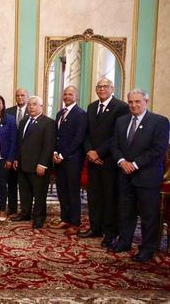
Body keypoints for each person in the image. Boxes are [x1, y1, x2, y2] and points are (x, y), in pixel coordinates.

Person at [109, 89, 169, 263]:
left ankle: (147, 248)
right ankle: (124, 242)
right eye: (130, 102)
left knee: (148, 215)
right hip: (124, 174)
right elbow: (115, 145)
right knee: (125, 212)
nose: (134, 105)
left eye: (137, 101)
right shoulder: (121, 121)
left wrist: (134, 164)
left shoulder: (159, 121)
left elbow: (158, 149)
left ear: (146, 101)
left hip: (147, 176)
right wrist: (121, 161)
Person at [80, 78, 129, 246]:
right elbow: (86, 133)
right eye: (99, 87)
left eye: (105, 86)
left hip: (109, 161)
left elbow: (117, 136)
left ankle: (110, 233)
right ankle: (95, 228)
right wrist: (89, 152)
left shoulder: (121, 107)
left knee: (109, 198)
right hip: (93, 161)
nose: (102, 89)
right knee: (94, 196)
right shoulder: (92, 107)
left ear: (112, 88)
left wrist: (98, 152)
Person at [12, 96, 55, 229]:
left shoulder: (48, 123)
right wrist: (16, 159)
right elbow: (20, 143)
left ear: (41, 107)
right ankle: (25, 213)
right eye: (29, 104)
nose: (31, 107)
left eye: (35, 104)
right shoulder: (24, 120)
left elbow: (49, 145)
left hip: (38, 165)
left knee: (39, 193)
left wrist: (43, 164)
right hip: (23, 164)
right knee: (24, 191)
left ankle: (39, 217)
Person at [51, 86, 87, 236]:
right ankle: (65, 218)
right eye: (65, 94)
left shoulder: (80, 114)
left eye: (70, 94)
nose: (67, 96)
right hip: (59, 159)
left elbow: (78, 138)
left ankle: (75, 223)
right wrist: (54, 153)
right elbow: (56, 135)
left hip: (72, 159)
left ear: (76, 97)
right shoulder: (60, 113)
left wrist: (63, 155)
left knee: (72, 191)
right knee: (62, 190)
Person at [4, 88, 29, 215]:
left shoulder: (32, 111)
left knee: (25, 185)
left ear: (27, 97)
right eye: (17, 95)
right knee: (11, 183)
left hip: (27, 155)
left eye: (22, 95)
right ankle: (12, 208)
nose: (19, 98)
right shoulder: (8, 112)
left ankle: (26, 210)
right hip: (11, 153)